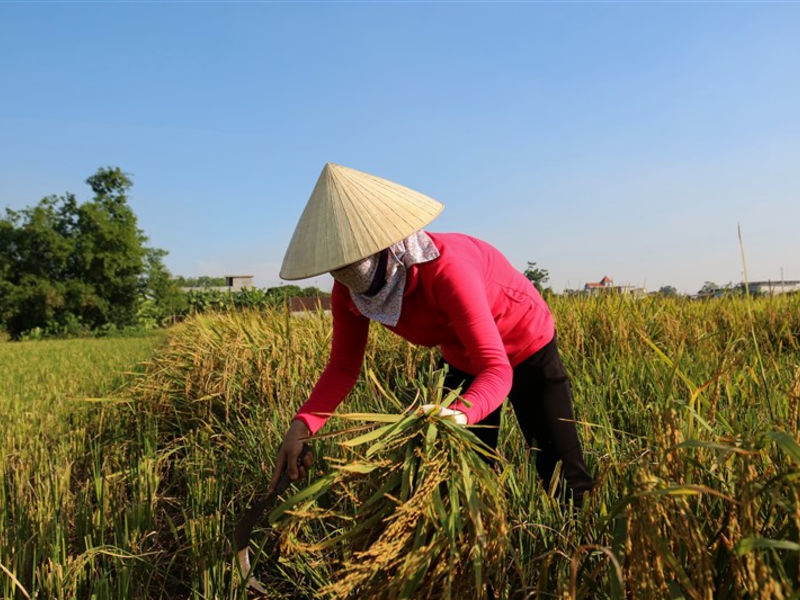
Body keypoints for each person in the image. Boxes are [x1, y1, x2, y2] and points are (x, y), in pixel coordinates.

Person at [269, 163, 593, 505]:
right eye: (339, 269)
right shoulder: (349, 290)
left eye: (356, 265)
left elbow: (496, 370)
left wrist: (459, 413)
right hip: (463, 354)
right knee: (464, 478)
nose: (350, 282)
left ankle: (583, 542)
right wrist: (303, 425)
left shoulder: (448, 271)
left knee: (560, 472)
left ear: (389, 247)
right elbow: (343, 368)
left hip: (525, 342)